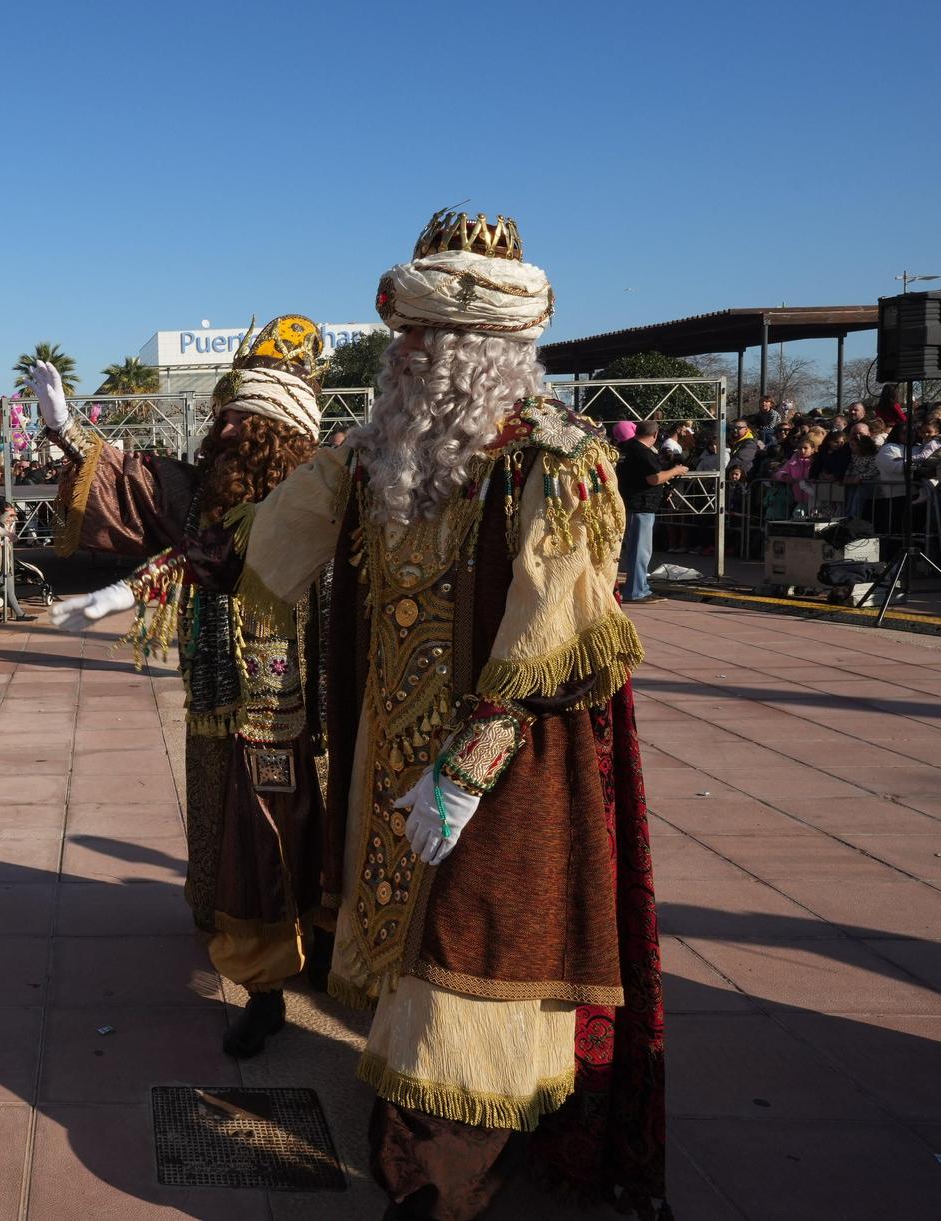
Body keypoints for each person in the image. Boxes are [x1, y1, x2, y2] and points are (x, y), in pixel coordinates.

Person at [237, 212, 665, 1220]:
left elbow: (551, 629)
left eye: (425, 342)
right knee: (402, 952)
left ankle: (440, 1178)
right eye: (403, 340)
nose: (407, 359)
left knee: (473, 957)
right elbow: (264, 543)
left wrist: (466, 766)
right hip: (389, 749)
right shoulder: (375, 455)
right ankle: (420, 1143)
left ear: (483, 354)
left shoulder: (551, 461)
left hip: (504, 762)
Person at [36, 315, 331, 1058]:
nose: (226, 431)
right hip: (216, 692)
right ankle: (261, 976)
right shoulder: (204, 490)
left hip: (296, 700)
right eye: (224, 417)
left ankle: (299, 966)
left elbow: (229, 553)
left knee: (292, 832)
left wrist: (120, 595)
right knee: (232, 829)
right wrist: (68, 428)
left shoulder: (313, 494)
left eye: (244, 421)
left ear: (280, 430)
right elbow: (142, 485)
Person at [617, 421, 688, 603]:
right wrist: (675, 470)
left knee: (636, 550)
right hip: (641, 506)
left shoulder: (627, 449)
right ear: (655, 435)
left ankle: (640, 587)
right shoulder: (642, 453)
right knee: (640, 551)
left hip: (631, 504)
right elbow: (654, 478)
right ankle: (636, 591)